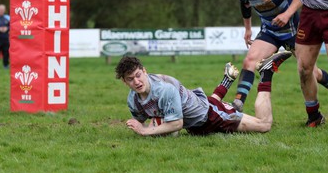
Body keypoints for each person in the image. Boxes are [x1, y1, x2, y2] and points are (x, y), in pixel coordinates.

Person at [231, 0, 328, 116]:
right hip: (269, 32)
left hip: (293, 32)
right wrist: (248, 30)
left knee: (311, 72)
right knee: (250, 60)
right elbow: (245, 8)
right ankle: (237, 104)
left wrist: (286, 14)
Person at [115, 52, 291, 136]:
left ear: (144, 71)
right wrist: (139, 125)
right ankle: (227, 81)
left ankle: (266, 73)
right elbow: (140, 120)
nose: (136, 81)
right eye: (130, 79)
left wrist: (146, 131)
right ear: (125, 82)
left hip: (212, 116)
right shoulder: (133, 99)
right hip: (197, 114)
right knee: (208, 104)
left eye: (138, 75)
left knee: (264, 125)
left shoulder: (163, 90)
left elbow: (176, 124)